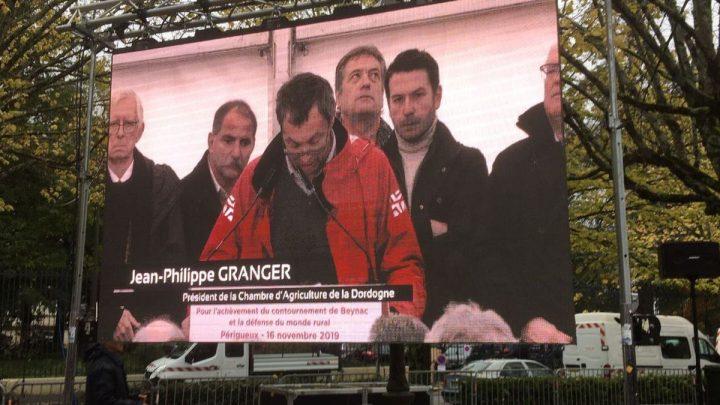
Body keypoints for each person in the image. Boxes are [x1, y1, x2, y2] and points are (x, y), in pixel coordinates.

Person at [201, 72, 425, 318]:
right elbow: (213, 267)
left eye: (314, 141)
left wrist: (395, 319)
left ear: (332, 121)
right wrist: (203, 316)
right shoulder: (256, 178)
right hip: (273, 335)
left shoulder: (372, 166)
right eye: (293, 145)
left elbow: (404, 263)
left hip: (353, 333)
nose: (305, 154)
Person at [381, 49, 488, 328]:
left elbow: (472, 254)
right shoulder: (372, 168)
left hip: (449, 324)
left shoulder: (468, 163)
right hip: (392, 324)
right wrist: (431, 228)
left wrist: (397, 232)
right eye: (398, 99)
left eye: (418, 95)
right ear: (388, 104)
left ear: (437, 96)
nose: (408, 109)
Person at [479, 44, 573, 342]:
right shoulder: (510, 165)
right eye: (551, 69)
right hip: (534, 340)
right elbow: (487, 253)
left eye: (566, 69)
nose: (557, 78)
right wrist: (525, 321)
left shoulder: (618, 153)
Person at [102, 88, 185, 342]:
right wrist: (111, 312)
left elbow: (174, 260)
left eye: (128, 124)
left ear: (140, 131)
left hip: (149, 321)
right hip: (99, 317)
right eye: (113, 123)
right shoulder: (86, 183)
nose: (119, 132)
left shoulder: (161, 182)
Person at [180, 100, 257, 259]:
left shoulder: (259, 199)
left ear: (253, 145)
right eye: (228, 140)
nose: (236, 153)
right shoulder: (180, 198)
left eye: (245, 142)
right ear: (211, 141)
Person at [335, 45, 393, 147]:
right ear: (338, 97)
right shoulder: (321, 147)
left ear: (382, 92)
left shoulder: (399, 150)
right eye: (356, 76)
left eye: (374, 75)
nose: (366, 83)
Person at [84, 340, 146, 404]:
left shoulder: (111, 362)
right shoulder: (103, 366)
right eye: (117, 337)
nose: (122, 340)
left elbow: (118, 395)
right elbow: (105, 401)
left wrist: (136, 397)